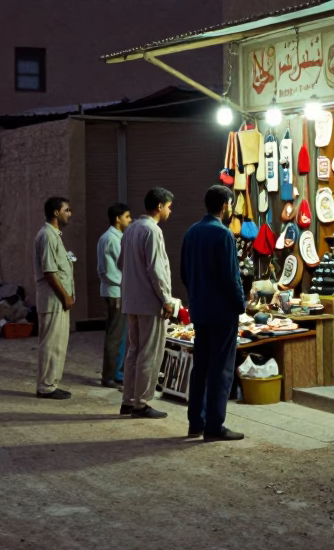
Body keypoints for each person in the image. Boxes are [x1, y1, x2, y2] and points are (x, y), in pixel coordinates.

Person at [180, 185, 247, 442]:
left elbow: (184, 273)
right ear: (225, 206)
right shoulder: (223, 234)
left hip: (200, 309)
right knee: (221, 368)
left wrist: (197, 295)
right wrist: (240, 304)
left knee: (201, 366)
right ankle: (214, 425)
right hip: (222, 312)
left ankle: (195, 422)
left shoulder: (191, 232)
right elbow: (231, 277)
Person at [119, 187, 177, 419]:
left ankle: (128, 400)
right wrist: (166, 299)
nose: (170, 211)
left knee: (133, 351)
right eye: (169, 207)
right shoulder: (152, 230)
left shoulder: (131, 229)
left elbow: (122, 263)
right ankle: (141, 403)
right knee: (149, 354)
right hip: (149, 301)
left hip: (132, 300)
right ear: (159, 207)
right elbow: (156, 269)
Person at [34, 196, 75, 400]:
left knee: (57, 345)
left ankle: (51, 383)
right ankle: (46, 386)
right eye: (66, 210)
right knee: (50, 345)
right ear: (56, 213)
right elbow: (50, 272)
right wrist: (65, 296)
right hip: (53, 300)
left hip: (58, 301)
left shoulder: (54, 235)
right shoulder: (47, 236)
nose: (69, 214)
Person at [97, 202, 132, 388]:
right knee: (115, 335)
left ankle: (117, 373)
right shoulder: (112, 239)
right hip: (116, 291)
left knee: (120, 334)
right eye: (127, 217)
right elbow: (123, 266)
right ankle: (109, 376)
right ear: (118, 219)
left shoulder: (112, 237)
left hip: (116, 290)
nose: (130, 220)